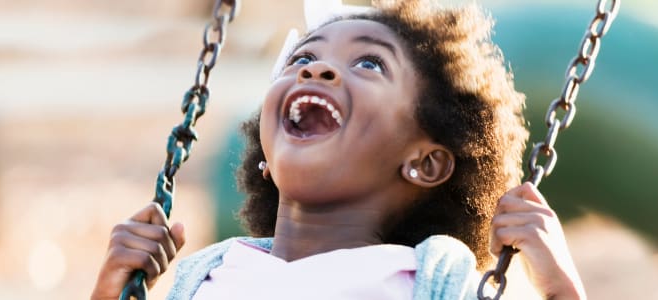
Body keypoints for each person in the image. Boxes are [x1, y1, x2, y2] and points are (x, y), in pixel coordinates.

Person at [90, 0, 585, 299]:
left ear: (425, 161)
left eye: (369, 65)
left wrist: (560, 286)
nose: (315, 70)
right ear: (265, 157)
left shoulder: (429, 279)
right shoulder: (208, 275)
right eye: (303, 57)